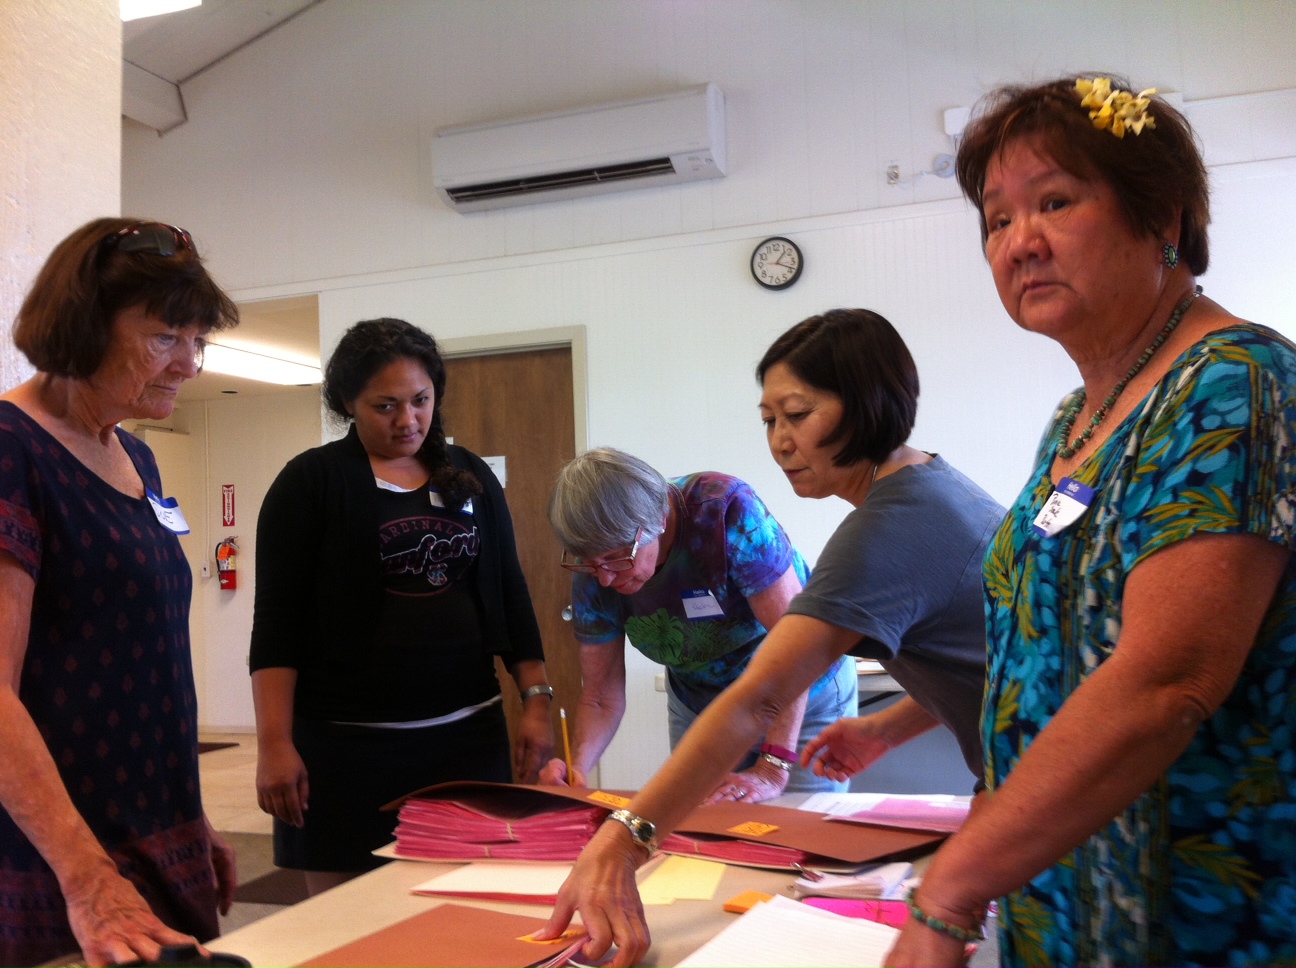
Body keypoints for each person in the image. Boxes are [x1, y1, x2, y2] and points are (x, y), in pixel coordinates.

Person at [881, 76, 1296, 968]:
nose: (1019, 243)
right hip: (1059, 902)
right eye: (996, 221)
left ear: (1166, 218)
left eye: (1055, 202)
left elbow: (1165, 679)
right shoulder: (1073, 423)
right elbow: (1041, 665)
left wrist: (951, 891)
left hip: (1201, 914)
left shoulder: (1238, 384)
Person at [536, 309, 1003, 966]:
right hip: (1025, 764)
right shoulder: (924, 492)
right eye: (769, 420)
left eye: (799, 414)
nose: (781, 440)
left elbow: (761, 695)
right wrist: (885, 729)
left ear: (865, 409)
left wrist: (626, 835)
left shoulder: (882, 529)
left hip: (1050, 771)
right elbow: (988, 659)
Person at [0, 218, 240, 968]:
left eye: (198, 340)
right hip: (59, 868)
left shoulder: (134, 454)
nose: (189, 364)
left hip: (155, 843)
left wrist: (190, 819)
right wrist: (86, 880)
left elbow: (141, 657)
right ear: (84, 324)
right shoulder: (12, 449)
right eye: (168, 336)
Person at [249, 317, 555, 896]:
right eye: (385, 405)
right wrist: (274, 743)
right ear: (348, 403)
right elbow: (277, 624)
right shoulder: (309, 483)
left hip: (466, 742)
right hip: (346, 751)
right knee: (347, 925)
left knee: (466, 911)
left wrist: (536, 700)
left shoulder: (468, 473)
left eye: (420, 400)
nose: (408, 420)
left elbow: (510, 591)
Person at [539, 447, 858, 801]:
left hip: (801, 694)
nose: (604, 579)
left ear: (659, 519)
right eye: (590, 563)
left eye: (617, 558)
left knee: (799, 829)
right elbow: (600, 697)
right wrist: (577, 769)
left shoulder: (725, 512)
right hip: (703, 703)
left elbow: (801, 649)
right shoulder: (596, 565)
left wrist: (772, 766)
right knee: (701, 829)